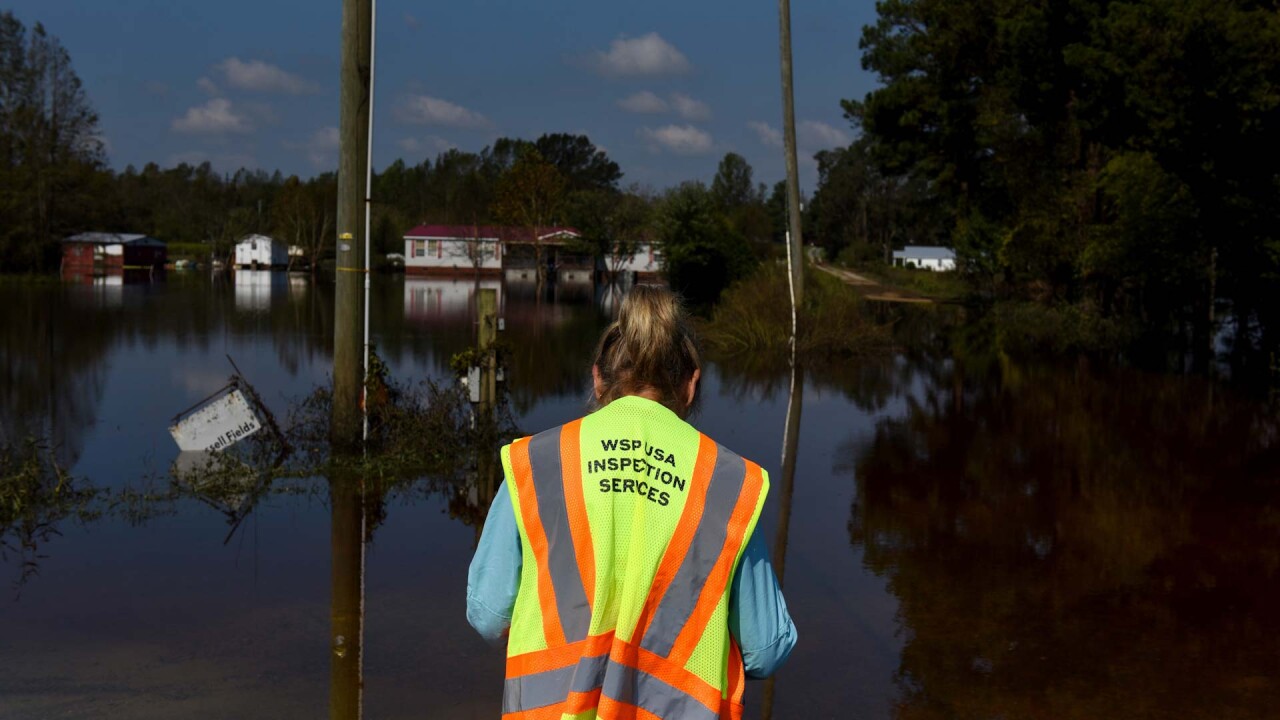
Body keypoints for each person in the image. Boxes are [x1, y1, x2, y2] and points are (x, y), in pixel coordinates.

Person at [467, 285, 796, 719]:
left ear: (597, 378)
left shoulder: (539, 463)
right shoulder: (729, 484)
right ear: (691, 384)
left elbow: (488, 614)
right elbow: (766, 649)